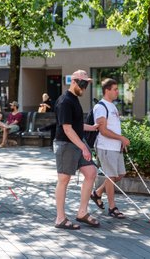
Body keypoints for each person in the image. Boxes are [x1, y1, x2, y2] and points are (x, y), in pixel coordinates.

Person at [53, 69, 100, 230]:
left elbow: (76, 124)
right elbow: (67, 129)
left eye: (86, 84)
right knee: (64, 180)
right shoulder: (64, 101)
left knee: (91, 172)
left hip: (77, 143)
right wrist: (83, 148)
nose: (85, 88)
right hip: (66, 144)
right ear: (73, 81)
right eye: (83, 84)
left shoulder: (74, 99)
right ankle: (60, 218)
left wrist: (92, 128)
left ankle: (82, 213)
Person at [90, 78, 130, 219]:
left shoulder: (112, 106)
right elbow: (103, 130)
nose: (117, 91)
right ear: (107, 90)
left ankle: (97, 193)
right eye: (115, 89)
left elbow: (113, 128)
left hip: (115, 147)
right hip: (105, 147)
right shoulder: (100, 107)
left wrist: (120, 141)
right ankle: (112, 208)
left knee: (120, 175)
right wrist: (121, 138)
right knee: (111, 177)